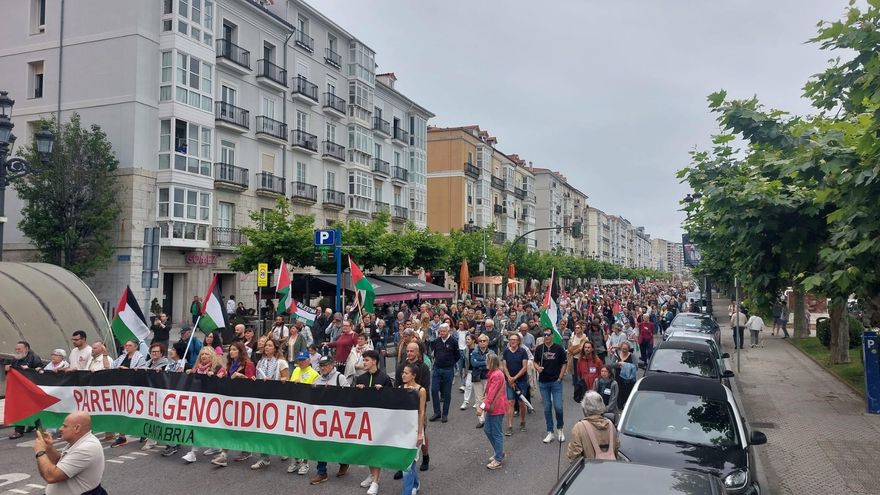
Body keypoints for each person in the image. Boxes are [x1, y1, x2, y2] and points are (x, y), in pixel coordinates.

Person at [32, 411, 104, 495]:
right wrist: (49, 447)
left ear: (77, 428)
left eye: (65, 426)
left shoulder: (86, 448)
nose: (60, 429)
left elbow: (51, 477)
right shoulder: (79, 441)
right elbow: (61, 463)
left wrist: (40, 452)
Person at [210, 342, 256, 467]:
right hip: (231, 399)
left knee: (241, 428)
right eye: (230, 350)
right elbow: (227, 376)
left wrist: (241, 375)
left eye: (234, 350)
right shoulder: (230, 364)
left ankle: (245, 451)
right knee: (229, 426)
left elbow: (253, 382)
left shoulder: (248, 364)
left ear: (241, 351)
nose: (231, 352)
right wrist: (221, 375)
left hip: (244, 400)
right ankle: (224, 455)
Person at [355, 350, 393, 495]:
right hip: (364, 420)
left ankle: (376, 482)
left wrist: (383, 391)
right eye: (363, 360)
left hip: (379, 420)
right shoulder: (360, 379)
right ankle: (372, 475)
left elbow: (391, 399)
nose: (364, 363)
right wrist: (357, 391)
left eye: (366, 360)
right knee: (368, 450)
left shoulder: (384, 378)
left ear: (374, 361)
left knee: (376, 450)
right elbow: (355, 400)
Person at [309, 356, 350, 485]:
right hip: (322, 418)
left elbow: (349, 395)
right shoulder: (317, 379)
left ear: (332, 364)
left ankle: (344, 462)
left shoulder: (340, 378)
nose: (323, 368)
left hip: (337, 418)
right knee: (321, 444)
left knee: (338, 444)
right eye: (321, 365)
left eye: (326, 365)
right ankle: (322, 472)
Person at [251, 338, 289, 470]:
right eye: (265, 345)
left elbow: (286, 379)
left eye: (269, 345)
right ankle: (264, 457)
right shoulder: (260, 362)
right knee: (263, 427)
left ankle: (283, 448)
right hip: (262, 398)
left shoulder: (281, 363)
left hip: (277, 398)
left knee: (277, 426)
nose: (266, 347)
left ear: (275, 348)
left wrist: (274, 380)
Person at [286, 351, 320, 475]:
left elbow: (315, 392)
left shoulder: (314, 374)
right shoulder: (295, 371)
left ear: (308, 360)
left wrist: (302, 386)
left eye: (303, 360)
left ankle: (305, 463)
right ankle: (296, 460)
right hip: (294, 406)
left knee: (304, 437)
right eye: (299, 360)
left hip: (307, 408)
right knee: (293, 436)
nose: (300, 362)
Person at [534, 329, 567, 443]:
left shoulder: (559, 348)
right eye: (545, 334)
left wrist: (560, 377)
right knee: (547, 407)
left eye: (548, 334)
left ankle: (560, 429)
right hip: (543, 382)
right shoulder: (539, 348)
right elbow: (535, 361)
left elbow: (564, 363)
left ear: (552, 336)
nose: (546, 336)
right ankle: (550, 432)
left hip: (556, 382)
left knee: (558, 406)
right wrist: (537, 367)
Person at [566, 391, 619, 461]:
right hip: (610, 468)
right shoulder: (610, 424)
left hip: (589, 470)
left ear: (585, 409)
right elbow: (616, 449)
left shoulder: (579, 427)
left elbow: (573, 455)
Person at [400, 364, 427, 493]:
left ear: (414, 375)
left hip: (415, 429)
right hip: (402, 430)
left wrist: (420, 433)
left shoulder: (421, 390)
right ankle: (415, 484)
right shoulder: (400, 388)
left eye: (406, 373)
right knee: (409, 461)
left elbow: (421, 412)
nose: (403, 375)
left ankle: (407, 491)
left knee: (408, 462)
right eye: (403, 373)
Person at [477, 353, 506, 470]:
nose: (485, 362)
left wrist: (481, 408)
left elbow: (490, 396)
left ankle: (498, 458)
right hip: (494, 407)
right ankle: (499, 452)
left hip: (496, 407)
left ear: (491, 362)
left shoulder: (496, 375)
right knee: (488, 430)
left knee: (496, 433)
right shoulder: (495, 373)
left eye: (487, 360)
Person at [429, 323, 460, 423]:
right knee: (434, 390)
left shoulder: (453, 341)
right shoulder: (437, 341)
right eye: (440, 331)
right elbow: (435, 353)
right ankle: (437, 412)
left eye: (443, 331)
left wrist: (450, 363)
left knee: (447, 393)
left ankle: (445, 414)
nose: (441, 333)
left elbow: (457, 356)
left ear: (448, 331)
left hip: (448, 370)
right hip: (437, 369)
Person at [501, 333, 530, 436]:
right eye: (510, 339)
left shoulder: (523, 352)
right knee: (510, 402)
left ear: (518, 341)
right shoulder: (506, 352)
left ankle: (522, 421)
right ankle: (509, 426)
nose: (512, 341)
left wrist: (514, 378)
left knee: (521, 403)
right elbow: (504, 366)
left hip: (521, 381)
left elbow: (524, 367)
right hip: (509, 381)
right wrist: (509, 378)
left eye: (514, 340)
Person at [612, 342, 636, 410]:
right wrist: (618, 364)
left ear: (628, 349)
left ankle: (627, 407)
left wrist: (626, 365)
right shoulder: (616, 355)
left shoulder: (632, 356)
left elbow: (636, 366)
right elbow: (611, 365)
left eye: (626, 349)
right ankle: (619, 407)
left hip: (629, 379)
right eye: (623, 349)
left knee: (627, 393)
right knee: (619, 392)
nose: (624, 350)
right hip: (618, 378)